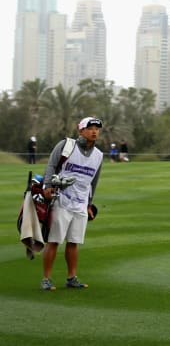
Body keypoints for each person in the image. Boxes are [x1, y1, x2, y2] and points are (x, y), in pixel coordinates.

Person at [40, 116, 104, 291]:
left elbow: (93, 182)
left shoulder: (98, 155)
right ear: (81, 130)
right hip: (61, 199)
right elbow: (52, 166)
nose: (94, 131)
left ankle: (71, 277)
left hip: (81, 203)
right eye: (90, 128)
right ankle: (46, 279)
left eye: (97, 129)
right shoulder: (66, 146)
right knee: (53, 241)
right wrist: (47, 185)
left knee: (74, 242)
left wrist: (89, 204)